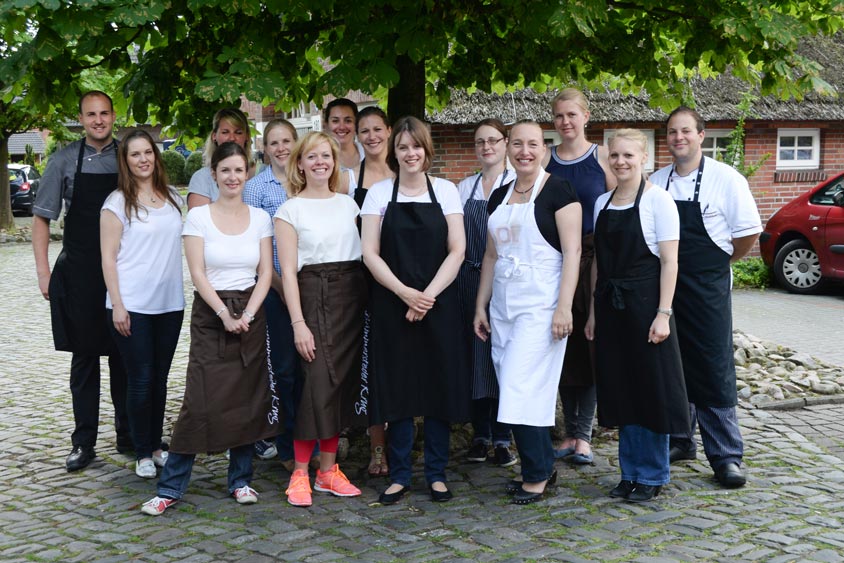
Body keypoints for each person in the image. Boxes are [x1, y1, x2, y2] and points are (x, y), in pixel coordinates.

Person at [141, 142, 278, 516]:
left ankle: (241, 480)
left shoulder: (260, 219)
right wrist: (224, 314)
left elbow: (266, 271)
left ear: (247, 173)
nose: (232, 177)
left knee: (248, 399)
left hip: (250, 310)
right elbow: (198, 273)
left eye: (239, 170)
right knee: (198, 400)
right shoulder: (198, 218)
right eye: (225, 170)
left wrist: (248, 312)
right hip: (211, 313)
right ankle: (170, 487)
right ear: (214, 175)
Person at [649, 106, 762, 488]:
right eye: (671, 132)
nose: (678, 138)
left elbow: (747, 235)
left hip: (706, 285)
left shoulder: (726, 179)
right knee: (672, 364)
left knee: (713, 368)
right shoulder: (656, 181)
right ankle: (681, 440)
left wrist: (719, 263)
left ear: (701, 135)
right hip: (665, 286)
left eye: (685, 131)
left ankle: (726, 456)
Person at [361, 116, 468, 504]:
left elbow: (458, 249)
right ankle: (400, 473)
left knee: (439, 387)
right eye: (403, 147)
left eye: (416, 147)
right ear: (395, 151)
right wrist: (406, 293)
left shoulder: (446, 191)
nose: (410, 154)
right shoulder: (378, 194)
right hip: (393, 303)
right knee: (399, 389)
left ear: (427, 151)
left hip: (439, 304)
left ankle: (437, 474)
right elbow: (369, 252)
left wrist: (428, 296)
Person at [474, 120, 581, 505]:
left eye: (532, 144)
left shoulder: (560, 192)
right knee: (513, 388)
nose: (524, 151)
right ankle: (539, 466)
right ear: (507, 148)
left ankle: (537, 473)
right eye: (517, 144)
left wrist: (564, 307)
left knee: (522, 388)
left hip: (542, 306)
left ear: (544, 148)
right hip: (503, 306)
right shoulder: (499, 196)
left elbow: (573, 253)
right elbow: (490, 255)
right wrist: (480, 306)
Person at [586, 129, 690, 502]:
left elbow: (670, 261)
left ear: (643, 158)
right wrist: (594, 313)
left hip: (647, 308)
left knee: (651, 391)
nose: (620, 162)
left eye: (628, 155)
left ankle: (653, 473)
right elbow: (598, 260)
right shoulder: (601, 203)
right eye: (615, 155)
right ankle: (629, 472)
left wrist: (663, 313)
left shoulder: (659, 202)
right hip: (612, 310)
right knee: (621, 390)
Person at [32, 90, 130, 471]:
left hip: (123, 273)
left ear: (113, 115)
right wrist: (44, 272)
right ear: (81, 118)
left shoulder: (128, 156)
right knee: (85, 360)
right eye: (91, 114)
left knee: (125, 357)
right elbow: (41, 218)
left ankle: (130, 436)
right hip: (80, 274)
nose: (98, 120)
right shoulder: (62, 161)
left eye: (104, 113)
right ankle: (83, 442)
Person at [275, 132, 367, 507]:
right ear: (299, 163)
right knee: (315, 384)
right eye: (311, 157)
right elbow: (289, 275)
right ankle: (300, 472)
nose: (319, 162)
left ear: (334, 162)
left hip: (351, 297)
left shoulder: (349, 206)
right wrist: (298, 323)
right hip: (313, 297)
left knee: (340, 385)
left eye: (325, 156)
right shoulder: (289, 211)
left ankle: (329, 471)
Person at [100, 130, 185, 479]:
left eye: (147, 152)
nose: (143, 159)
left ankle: (156, 445)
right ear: (126, 160)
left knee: (161, 379)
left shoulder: (173, 197)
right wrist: (118, 304)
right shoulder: (116, 203)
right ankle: (141, 452)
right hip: (131, 303)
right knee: (141, 378)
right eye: (135, 154)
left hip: (170, 304)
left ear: (156, 155)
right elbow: (107, 259)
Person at [542, 88, 613, 465]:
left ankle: (583, 434)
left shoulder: (602, 157)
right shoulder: (544, 159)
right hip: (553, 259)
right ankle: (567, 432)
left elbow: (619, 210)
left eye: (572, 115)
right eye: (559, 116)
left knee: (588, 343)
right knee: (561, 345)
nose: (565, 122)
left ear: (586, 116)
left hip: (592, 260)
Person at [456, 118, 516, 467]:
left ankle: (503, 438)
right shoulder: (465, 188)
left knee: (503, 359)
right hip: (468, 280)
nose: (487, 147)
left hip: (506, 282)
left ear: (505, 143)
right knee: (476, 360)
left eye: (493, 140)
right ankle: (480, 435)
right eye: (480, 142)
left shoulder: (518, 186)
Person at [243, 118, 299, 467]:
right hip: (276, 290)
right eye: (274, 143)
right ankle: (289, 445)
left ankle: (319, 437)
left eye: (286, 141)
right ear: (265, 149)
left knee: (317, 370)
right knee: (285, 369)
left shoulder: (308, 178)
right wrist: (283, 287)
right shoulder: (256, 188)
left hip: (314, 288)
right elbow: (257, 248)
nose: (281, 148)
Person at [353, 106, 394, 477]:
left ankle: (405, 440)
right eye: (364, 131)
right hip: (364, 283)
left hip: (407, 284)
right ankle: (377, 448)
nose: (371, 136)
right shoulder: (350, 177)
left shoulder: (407, 173)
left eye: (377, 129)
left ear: (389, 131)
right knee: (373, 369)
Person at [187, 107, 254, 209]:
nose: (232, 138)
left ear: (247, 137)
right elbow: (200, 222)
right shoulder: (202, 178)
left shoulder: (262, 173)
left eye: (238, 132)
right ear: (214, 136)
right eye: (225, 132)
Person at [324, 98, 363, 194]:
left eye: (348, 121)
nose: (341, 127)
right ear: (326, 125)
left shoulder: (368, 153)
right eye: (335, 121)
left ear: (356, 124)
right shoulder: (320, 160)